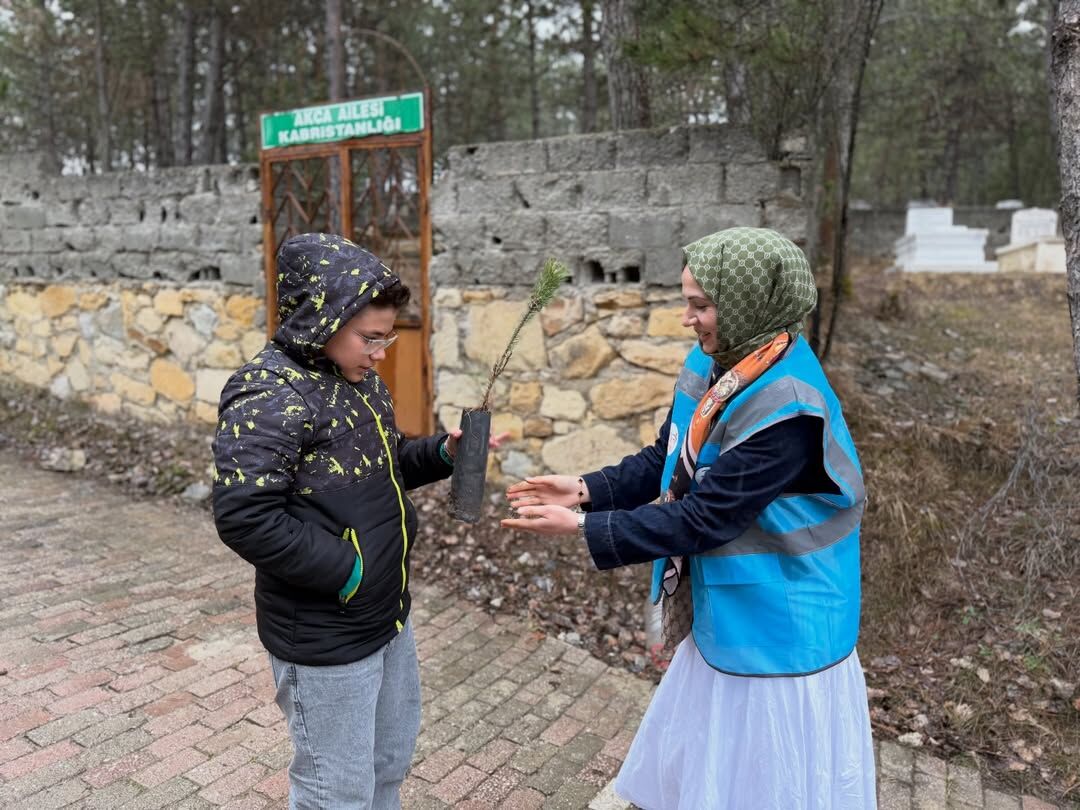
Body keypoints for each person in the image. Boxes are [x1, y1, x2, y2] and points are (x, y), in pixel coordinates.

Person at [503, 226, 876, 809]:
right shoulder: (720, 362)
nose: (687, 319)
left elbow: (703, 519)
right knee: (715, 775)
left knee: (767, 783)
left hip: (784, 632)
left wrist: (581, 528)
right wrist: (585, 489)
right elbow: (669, 454)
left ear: (748, 303)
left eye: (701, 305)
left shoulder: (788, 407)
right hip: (731, 611)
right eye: (687, 302)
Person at [212, 232, 476, 810]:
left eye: (387, 337)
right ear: (319, 320)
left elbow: (382, 464)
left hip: (386, 616)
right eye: (370, 338)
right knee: (335, 791)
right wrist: (351, 571)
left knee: (387, 764)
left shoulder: (357, 380)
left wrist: (442, 453)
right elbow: (245, 516)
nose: (381, 353)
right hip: (325, 633)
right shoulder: (267, 393)